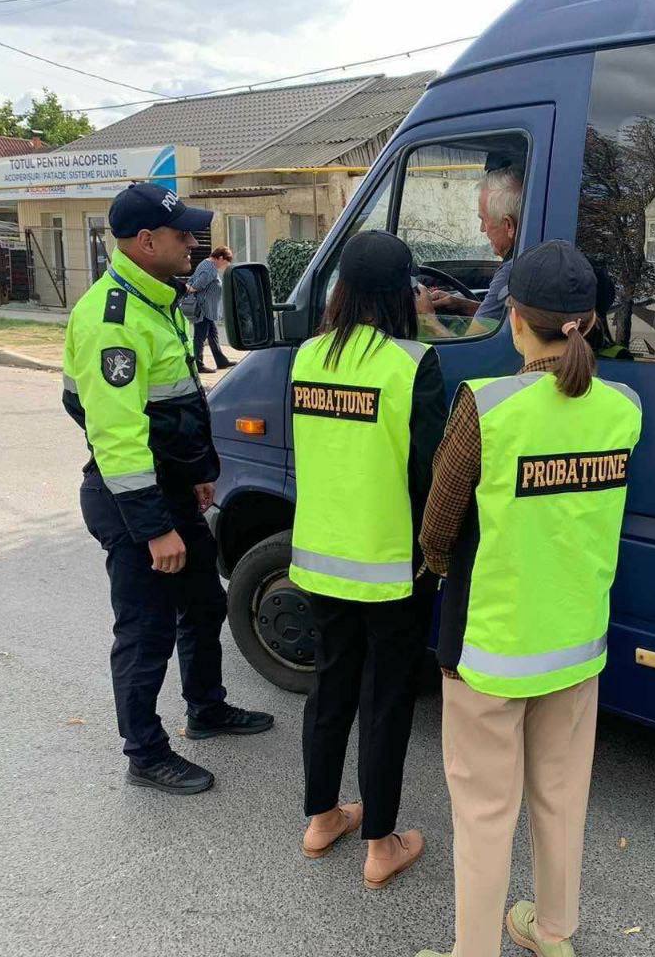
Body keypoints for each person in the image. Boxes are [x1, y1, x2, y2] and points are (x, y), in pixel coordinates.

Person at [416, 240, 643, 957]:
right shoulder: (624, 407)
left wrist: (442, 567)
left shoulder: (486, 406)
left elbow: (437, 528)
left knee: (485, 812)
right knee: (562, 797)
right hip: (576, 642)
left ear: (515, 318)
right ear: (591, 322)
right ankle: (552, 933)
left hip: (491, 648)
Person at [62, 182, 273, 796]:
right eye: (183, 234)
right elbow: (118, 436)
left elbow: (178, 407)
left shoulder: (157, 301)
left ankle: (206, 708)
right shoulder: (113, 320)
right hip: (134, 504)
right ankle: (145, 753)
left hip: (172, 491)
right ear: (146, 241)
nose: (193, 244)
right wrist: (156, 529)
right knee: (145, 630)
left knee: (203, 605)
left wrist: (199, 472)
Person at [291, 230, 447, 889]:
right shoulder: (413, 363)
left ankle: (322, 818)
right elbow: (430, 475)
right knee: (385, 702)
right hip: (389, 569)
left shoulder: (307, 356)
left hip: (321, 558)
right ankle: (381, 844)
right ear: (401, 293)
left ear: (343, 289)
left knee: (330, 687)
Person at [427, 164, 523, 337]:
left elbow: (471, 346)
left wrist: (427, 318)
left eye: (484, 220)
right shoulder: (528, 260)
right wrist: (461, 305)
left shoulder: (512, 273)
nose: (482, 229)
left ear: (508, 225)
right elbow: (501, 319)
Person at [185, 246, 235, 373]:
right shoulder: (210, 269)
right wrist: (189, 289)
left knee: (213, 335)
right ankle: (198, 364)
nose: (224, 266)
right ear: (220, 258)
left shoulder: (206, 264)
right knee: (200, 337)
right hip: (204, 309)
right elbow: (196, 285)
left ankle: (221, 361)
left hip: (208, 309)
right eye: (225, 263)